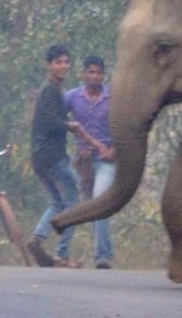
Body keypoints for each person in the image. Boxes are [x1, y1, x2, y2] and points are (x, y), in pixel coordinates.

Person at [27, 44, 105, 268]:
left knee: (58, 201)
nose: (63, 66)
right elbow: (51, 123)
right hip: (53, 157)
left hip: (40, 158)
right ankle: (62, 254)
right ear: (48, 65)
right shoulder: (50, 90)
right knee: (73, 204)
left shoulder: (54, 90)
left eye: (66, 62)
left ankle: (38, 239)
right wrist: (73, 126)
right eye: (58, 62)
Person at [65, 55, 116, 269]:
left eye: (98, 72)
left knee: (99, 201)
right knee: (68, 200)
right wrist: (73, 129)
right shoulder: (71, 97)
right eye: (90, 72)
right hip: (81, 160)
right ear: (83, 74)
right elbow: (54, 118)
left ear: (103, 75)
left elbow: (126, 125)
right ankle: (61, 253)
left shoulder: (113, 98)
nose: (94, 76)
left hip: (106, 160)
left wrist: (114, 150)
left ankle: (103, 256)